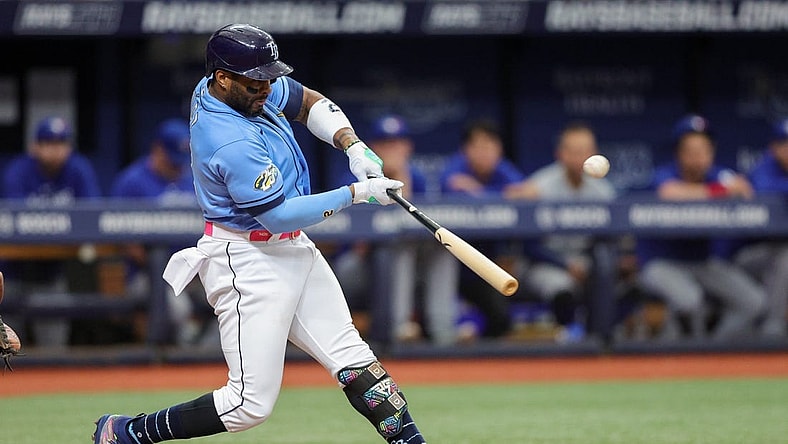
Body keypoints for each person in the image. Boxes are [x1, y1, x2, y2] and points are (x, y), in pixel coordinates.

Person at [92, 24, 426, 444]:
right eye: (256, 81)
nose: (266, 88)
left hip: (294, 251)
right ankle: (128, 432)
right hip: (248, 260)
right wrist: (356, 193)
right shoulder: (226, 139)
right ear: (223, 79)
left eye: (270, 77)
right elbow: (279, 216)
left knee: (356, 361)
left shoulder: (234, 83)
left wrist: (352, 146)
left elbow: (306, 101)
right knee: (248, 405)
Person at [635, 114, 766, 341]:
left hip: (703, 262)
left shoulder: (717, 175)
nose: (698, 158)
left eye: (704, 150)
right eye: (692, 151)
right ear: (680, 153)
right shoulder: (665, 174)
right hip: (660, 262)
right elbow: (670, 193)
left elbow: (745, 190)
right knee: (691, 302)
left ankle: (715, 349)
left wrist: (733, 187)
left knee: (754, 302)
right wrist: (720, 191)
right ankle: (671, 357)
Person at [332, 114, 460, 345]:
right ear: (371, 148)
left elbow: (414, 224)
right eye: (384, 144)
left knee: (436, 247)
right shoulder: (356, 174)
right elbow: (354, 241)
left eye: (397, 144)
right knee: (392, 249)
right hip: (358, 265)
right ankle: (398, 329)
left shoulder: (416, 176)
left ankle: (444, 332)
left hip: (407, 267)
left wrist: (401, 178)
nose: (391, 150)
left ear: (407, 147)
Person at [504, 121, 624, 340]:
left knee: (606, 269)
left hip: (584, 261)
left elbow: (609, 239)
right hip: (544, 262)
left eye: (585, 151)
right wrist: (565, 265)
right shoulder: (539, 187)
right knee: (561, 287)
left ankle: (601, 340)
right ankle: (568, 339)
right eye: (574, 151)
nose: (580, 157)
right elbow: (529, 245)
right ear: (561, 153)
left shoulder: (603, 192)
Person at [1, 116, 102, 347]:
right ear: (35, 146)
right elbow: (14, 219)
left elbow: (94, 214)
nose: (55, 151)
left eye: (60, 144)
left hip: (52, 272)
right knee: (7, 349)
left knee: (54, 348)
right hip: (13, 272)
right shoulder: (18, 170)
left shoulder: (78, 168)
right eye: (48, 143)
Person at [110, 118, 212, 346]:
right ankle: (181, 363)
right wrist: (169, 269)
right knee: (178, 306)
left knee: (232, 292)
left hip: (195, 270)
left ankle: (208, 353)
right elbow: (121, 236)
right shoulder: (131, 182)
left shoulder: (192, 179)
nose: (177, 167)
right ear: (157, 149)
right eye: (172, 161)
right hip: (147, 274)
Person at [439, 117, 526, 339]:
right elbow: (453, 186)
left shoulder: (502, 169)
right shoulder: (456, 168)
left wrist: (479, 191)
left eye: (491, 145)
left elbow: (525, 193)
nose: (486, 152)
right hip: (453, 268)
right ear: (465, 150)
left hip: (489, 266)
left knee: (500, 316)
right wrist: (500, 195)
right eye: (479, 146)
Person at [726, 118, 788, 337]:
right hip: (744, 256)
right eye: (785, 144)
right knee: (784, 258)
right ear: (774, 147)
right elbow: (766, 191)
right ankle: (772, 327)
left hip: (772, 253)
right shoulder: (764, 168)